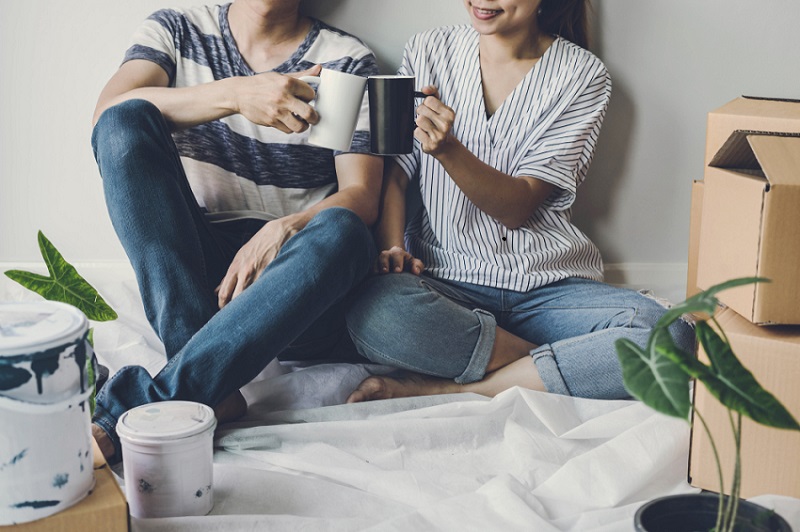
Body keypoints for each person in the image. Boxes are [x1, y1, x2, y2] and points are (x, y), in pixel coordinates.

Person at [344, 0, 695, 403]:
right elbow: (397, 172)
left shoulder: (581, 73)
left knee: (672, 335)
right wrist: (393, 247)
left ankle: (463, 387)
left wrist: (449, 150)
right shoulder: (429, 50)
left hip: (548, 289)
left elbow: (517, 207)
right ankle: (562, 362)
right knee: (375, 313)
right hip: (446, 282)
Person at [90, 0, 382, 462]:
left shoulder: (345, 59)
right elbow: (108, 113)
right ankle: (206, 381)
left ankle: (167, 398)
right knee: (123, 121)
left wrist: (283, 229)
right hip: (202, 278)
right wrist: (238, 95)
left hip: (294, 279)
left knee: (345, 229)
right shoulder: (179, 30)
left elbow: (361, 195)